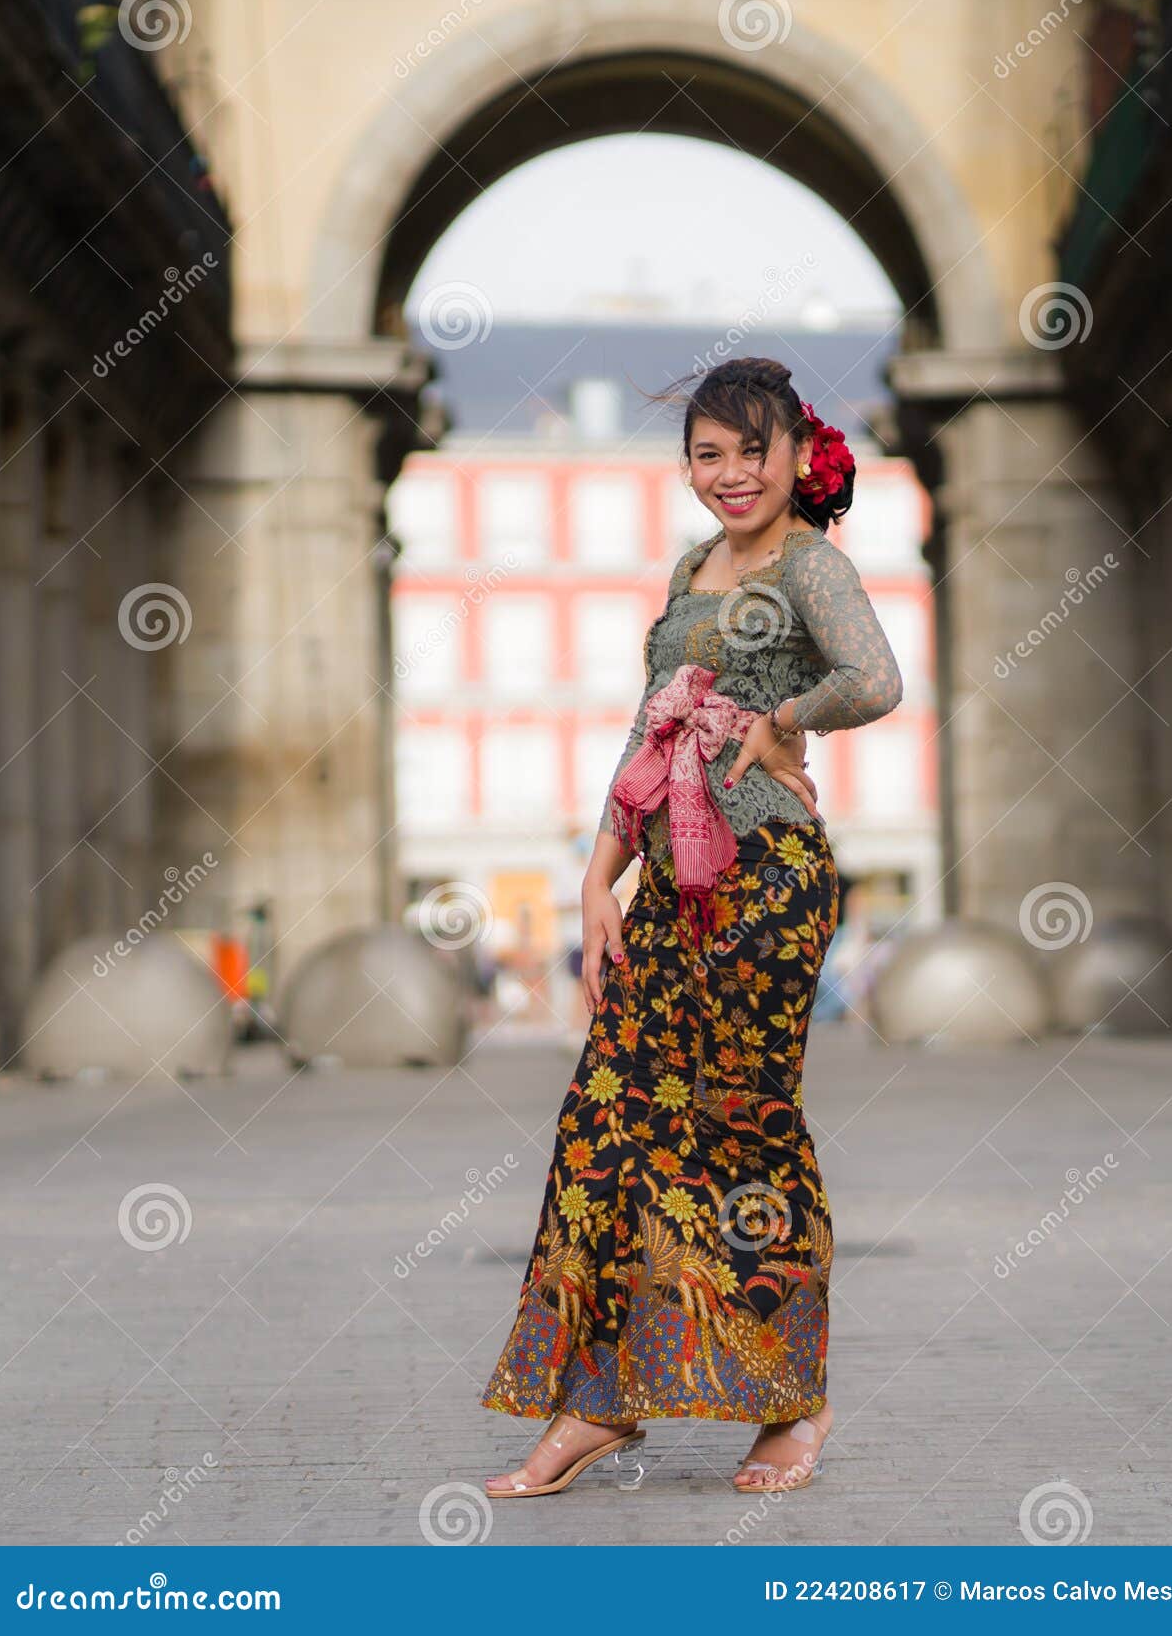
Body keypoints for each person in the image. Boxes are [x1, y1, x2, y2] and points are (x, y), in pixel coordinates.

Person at [480, 356, 903, 1497]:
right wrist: (595, 880)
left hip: (766, 880)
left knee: (746, 1128)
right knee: (608, 1120)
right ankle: (598, 1402)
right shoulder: (691, 567)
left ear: (794, 455)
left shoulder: (812, 565)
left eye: (749, 450)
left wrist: (783, 719)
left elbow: (876, 677)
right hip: (665, 889)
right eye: (706, 453)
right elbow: (647, 733)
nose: (729, 473)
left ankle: (792, 1407)